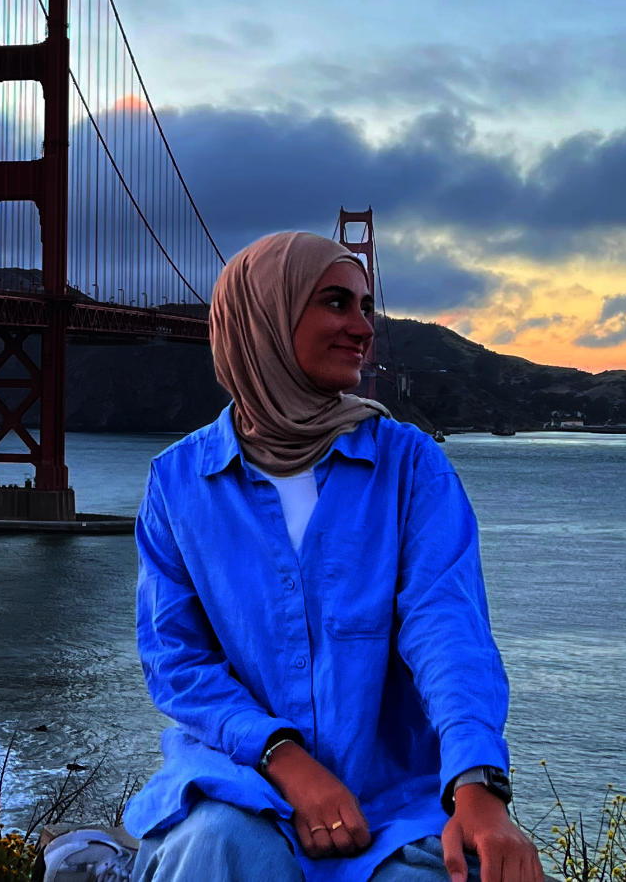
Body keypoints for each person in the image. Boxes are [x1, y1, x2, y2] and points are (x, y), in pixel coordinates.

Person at [125, 232, 544, 882]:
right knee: (219, 847)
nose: (362, 327)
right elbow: (177, 661)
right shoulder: (178, 483)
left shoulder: (409, 467)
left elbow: (448, 633)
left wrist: (477, 786)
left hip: (391, 801)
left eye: (365, 306)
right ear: (264, 317)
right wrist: (284, 758)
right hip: (241, 779)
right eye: (335, 303)